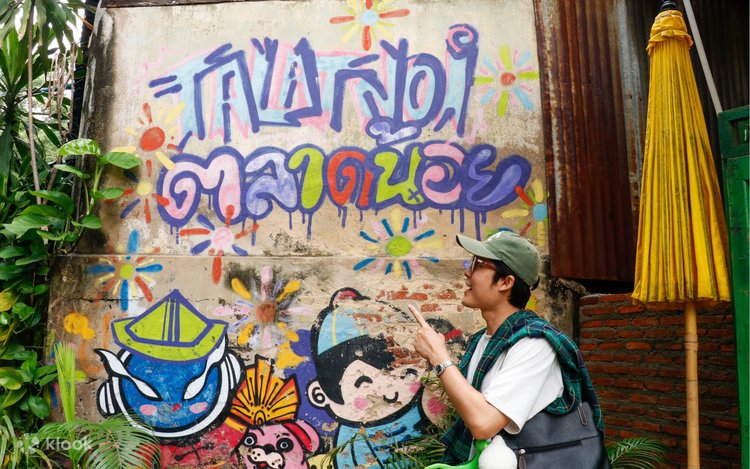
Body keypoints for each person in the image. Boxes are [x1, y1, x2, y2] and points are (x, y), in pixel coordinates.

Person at [409, 231, 604, 465]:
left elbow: (483, 423)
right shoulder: (482, 341)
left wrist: (438, 357)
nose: (467, 272)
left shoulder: (535, 344)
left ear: (505, 282)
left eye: (478, 264)